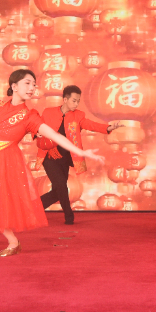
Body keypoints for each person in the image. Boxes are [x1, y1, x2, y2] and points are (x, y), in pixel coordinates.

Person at [0, 69, 103, 256]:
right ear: (14, 86)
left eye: (34, 84)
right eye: (27, 83)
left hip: (6, 164)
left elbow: (54, 135)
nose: (32, 88)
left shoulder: (30, 116)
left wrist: (80, 151)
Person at [36, 85, 119, 225]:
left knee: (57, 191)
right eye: (74, 100)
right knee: (61, 185)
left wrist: (109, 128)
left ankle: (32, 209)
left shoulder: (78, 116)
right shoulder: (48, 112)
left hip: (65, 157)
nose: (76, 104)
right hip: (49, 156)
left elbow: (91, 125)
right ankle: (69, 216)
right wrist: (36, 133)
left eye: (78, 101)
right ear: (65, 99)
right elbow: (37, 126)